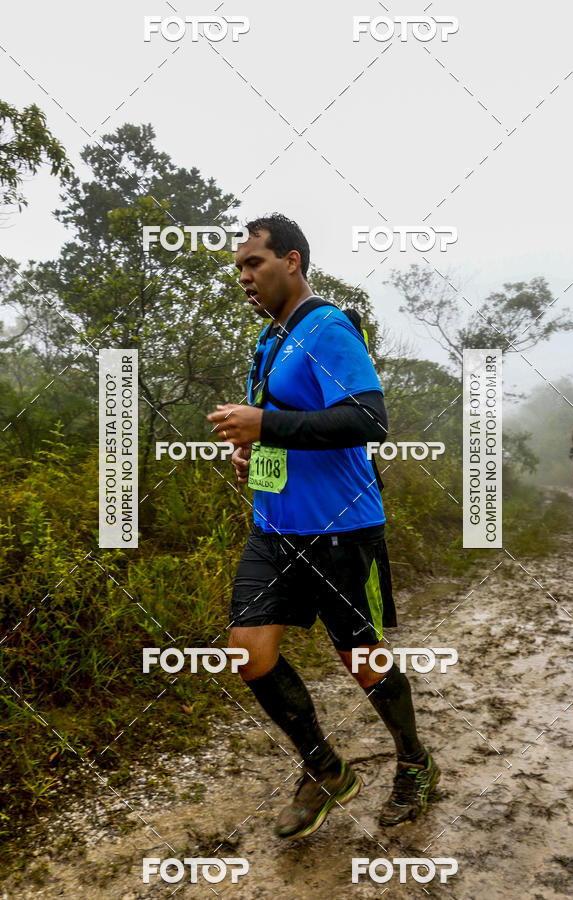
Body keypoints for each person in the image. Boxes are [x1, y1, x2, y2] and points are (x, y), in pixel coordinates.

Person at [207, 213, 439, 840]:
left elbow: (368, 419)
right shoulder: (269, 342)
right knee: (247, 654)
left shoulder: (328, 328)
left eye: (254, 264)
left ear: (292, 262)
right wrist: (254, 452)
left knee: (360, 657)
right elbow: (281, 424)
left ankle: (415, 762)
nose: (244, 278)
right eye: (239, 269)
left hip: (340, 528)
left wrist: (268, 428)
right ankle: (325, 770)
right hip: (274, 527)